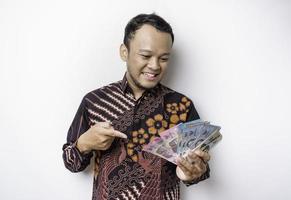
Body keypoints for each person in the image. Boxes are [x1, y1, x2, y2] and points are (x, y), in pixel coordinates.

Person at [62, 13, 210, 200]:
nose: (155, 66)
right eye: (146, 55)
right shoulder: (94, 102)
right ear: (125, 52)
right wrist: (84, 143)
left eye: (164, 58)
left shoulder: (182, 106)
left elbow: (200, 168)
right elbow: (71, 163)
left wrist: (194, 172)